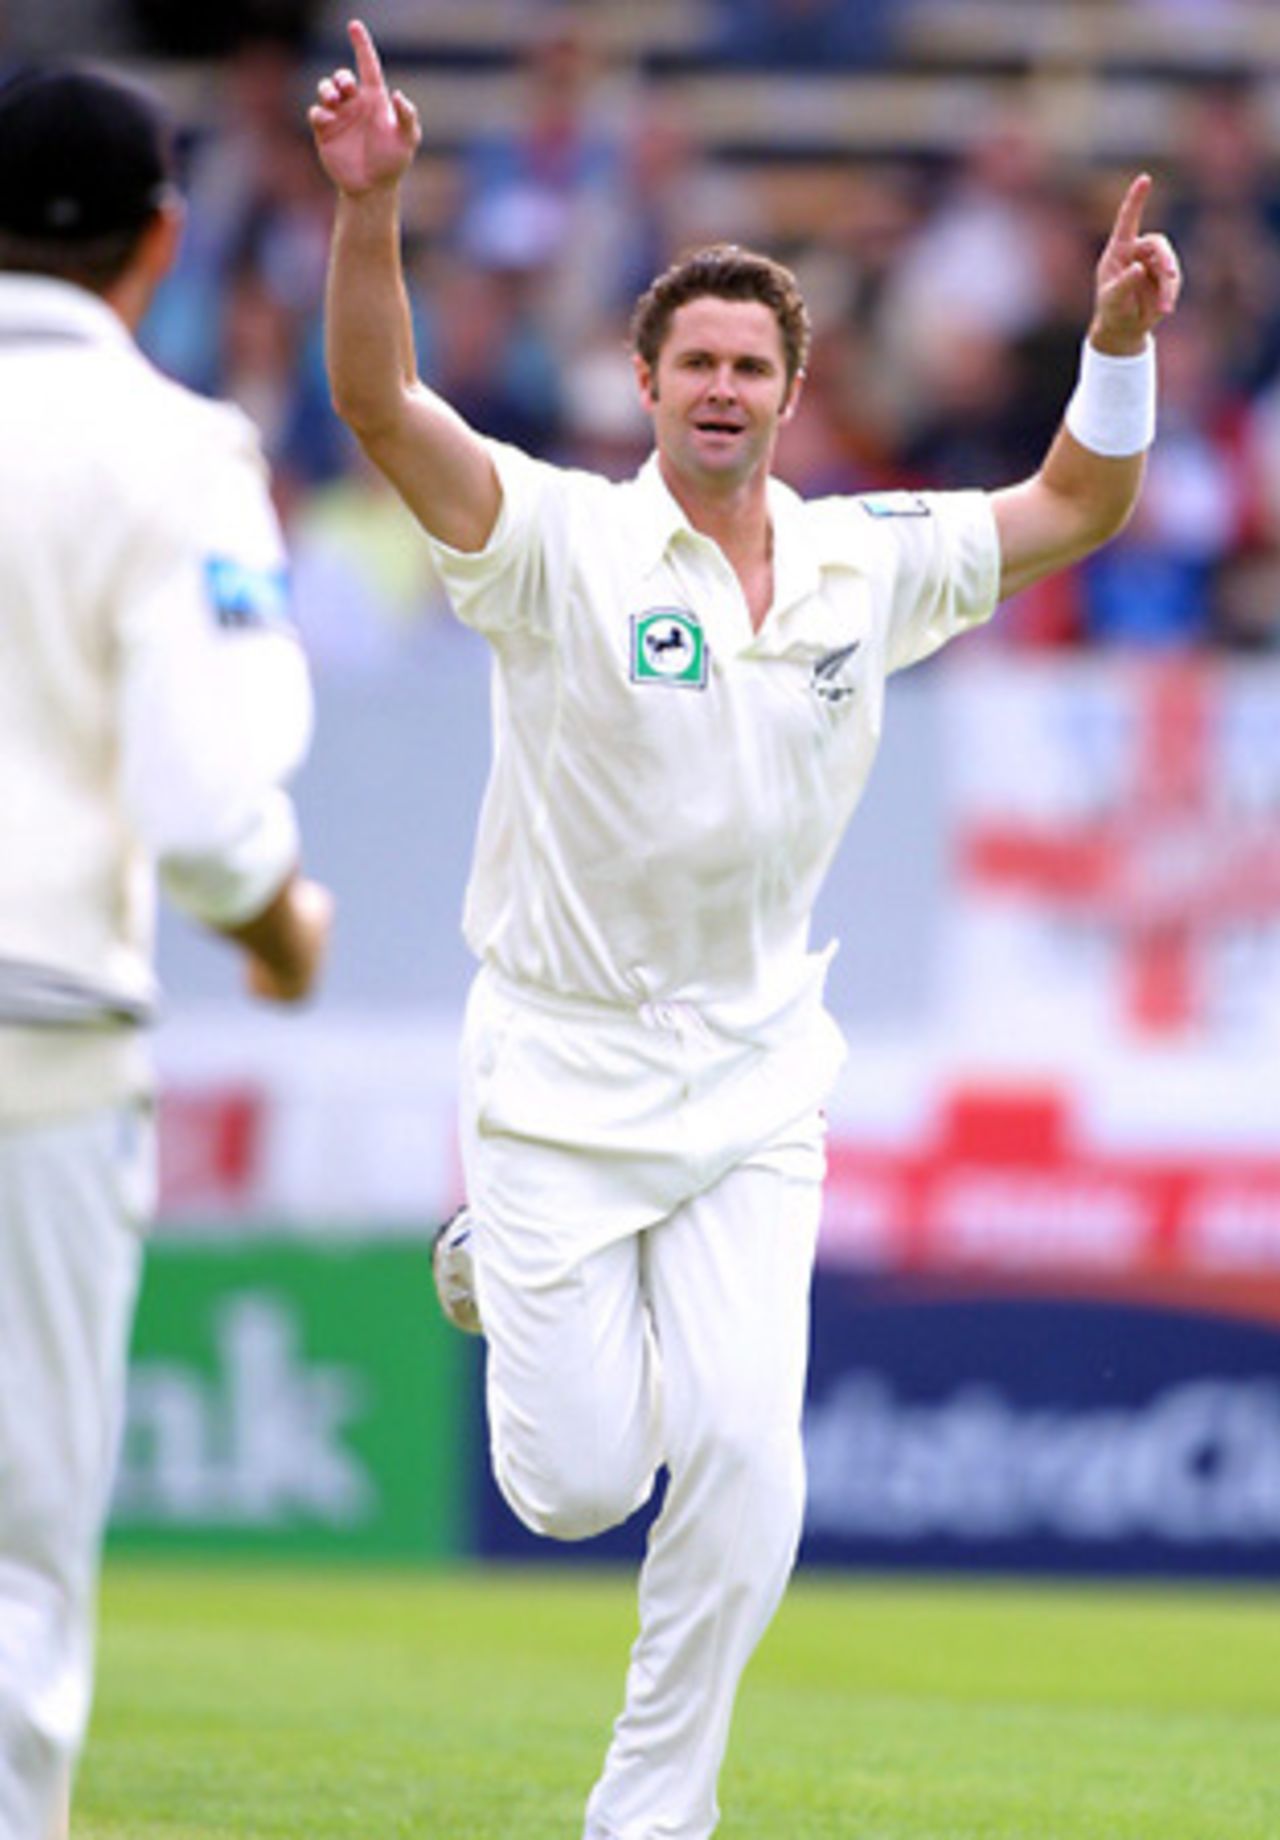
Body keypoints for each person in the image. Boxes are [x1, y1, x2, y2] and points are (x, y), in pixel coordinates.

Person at [310, 20, 1180, 1839]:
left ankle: (653, 1817)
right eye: (692, 360)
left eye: (751, 365)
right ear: (643, 381)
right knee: (568, 1486)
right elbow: (386, 414)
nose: (721, 389)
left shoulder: (872, 558)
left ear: (792, 389)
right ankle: (498, 1257)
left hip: (759, 1070)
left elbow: (1083, 502)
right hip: (555, 1063)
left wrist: (1111, 346)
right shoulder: (554, 544)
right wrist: (373, 214)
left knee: (745, 1451)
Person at [0, 63, 331, 1840]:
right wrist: (284, 927)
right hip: (35, 1042)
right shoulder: (173, 451)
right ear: (161, 244)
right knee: (17, 1566)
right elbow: (208, 812)